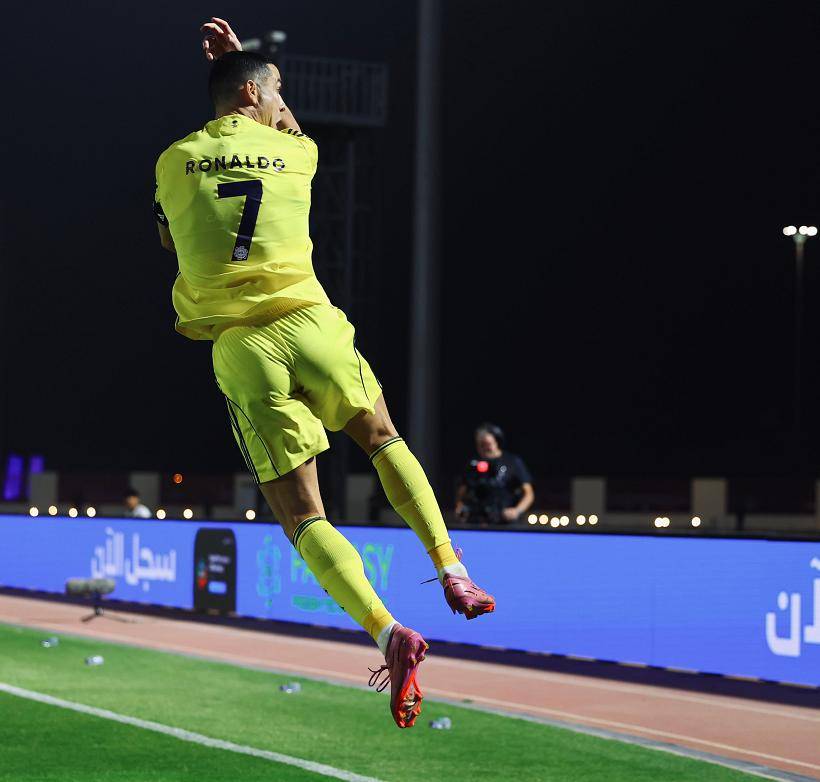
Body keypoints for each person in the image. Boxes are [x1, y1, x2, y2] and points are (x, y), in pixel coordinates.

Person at [153, 17, 495, 729]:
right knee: (381, 435)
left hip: (242, 346)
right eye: (276, 90)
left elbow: (167, 233)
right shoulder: (297, 154)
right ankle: (451, 567)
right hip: (311, 321)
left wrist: (238, 77)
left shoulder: (172, 160)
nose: (283, 100)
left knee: (302, 513)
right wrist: (252, 75)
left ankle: (386, 631)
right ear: (254, 94)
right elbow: (285, 127)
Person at [455, 423, 534, 525]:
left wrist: (517, 511)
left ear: (497, 441)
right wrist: (460, 506)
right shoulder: (473, 464)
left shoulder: (512, 461)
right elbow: (462, 491)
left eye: (487, 444)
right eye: (480, 445)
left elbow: (529, 493)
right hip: (478, 522)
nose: (484, 448)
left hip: (505, 522)